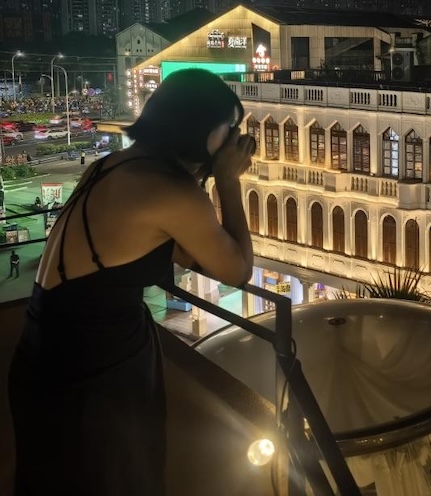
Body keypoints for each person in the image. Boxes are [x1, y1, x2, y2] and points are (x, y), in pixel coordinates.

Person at [8, 69, 256, 495]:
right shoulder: (170, 192)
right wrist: (229, 182)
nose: (236, 140)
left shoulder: (110, 165)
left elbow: (183, 250)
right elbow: (236, 270)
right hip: (97, 374)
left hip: (43, 353)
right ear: (207, 134)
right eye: (230, 130)